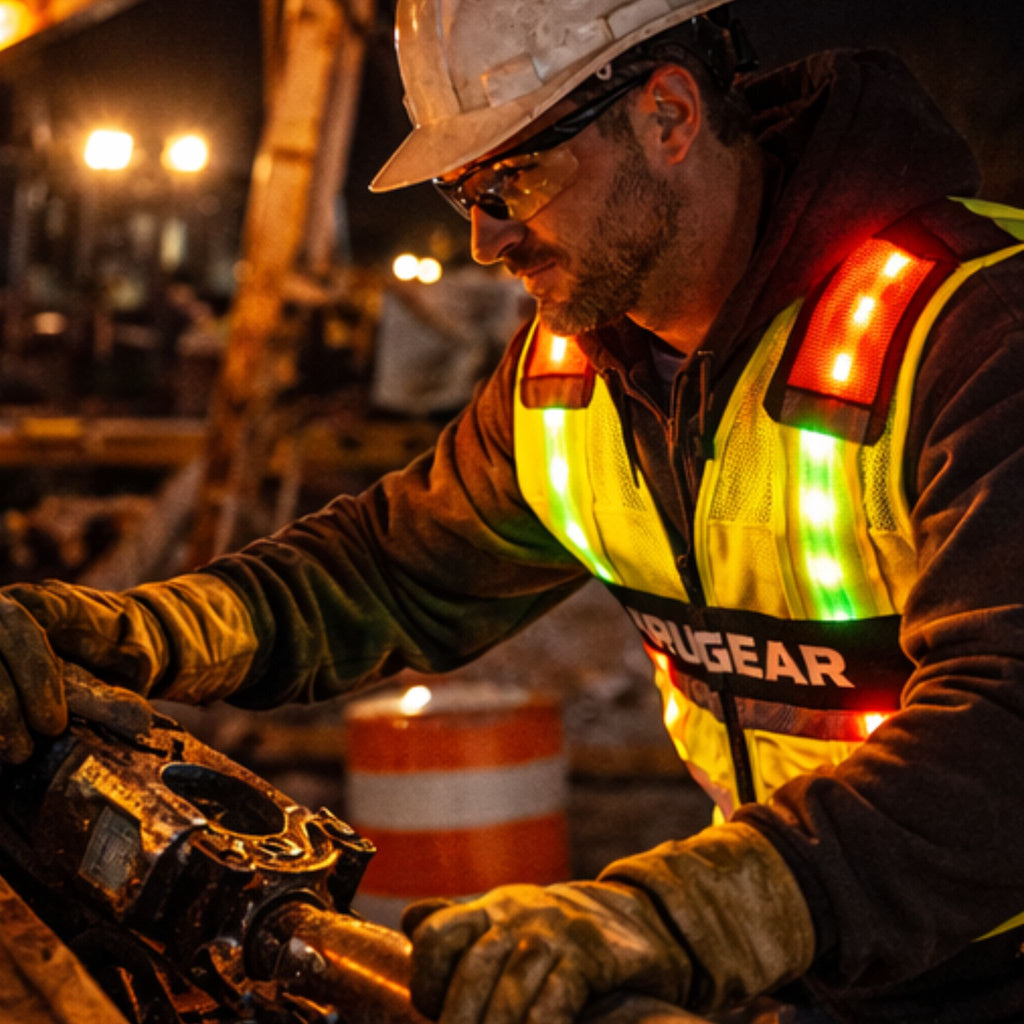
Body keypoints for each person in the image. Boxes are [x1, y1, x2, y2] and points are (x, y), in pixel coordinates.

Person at [1, 1, 1023, 1021]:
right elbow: (392, 569)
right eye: (462, 191)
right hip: (812, 961)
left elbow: (1005, 725)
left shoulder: (974, 332)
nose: (487, 241)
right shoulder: (577, 371)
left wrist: (679, 917)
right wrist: (141, 634)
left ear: (667, 116)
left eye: (514, 179)